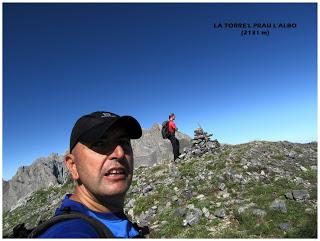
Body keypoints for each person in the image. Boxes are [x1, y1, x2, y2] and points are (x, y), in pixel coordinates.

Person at [37, 111, 146, 238]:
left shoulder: (108, 217)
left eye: (124, 142)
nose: (120, 153)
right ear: (73, 166)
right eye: (100, 143)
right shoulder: (70, 232)